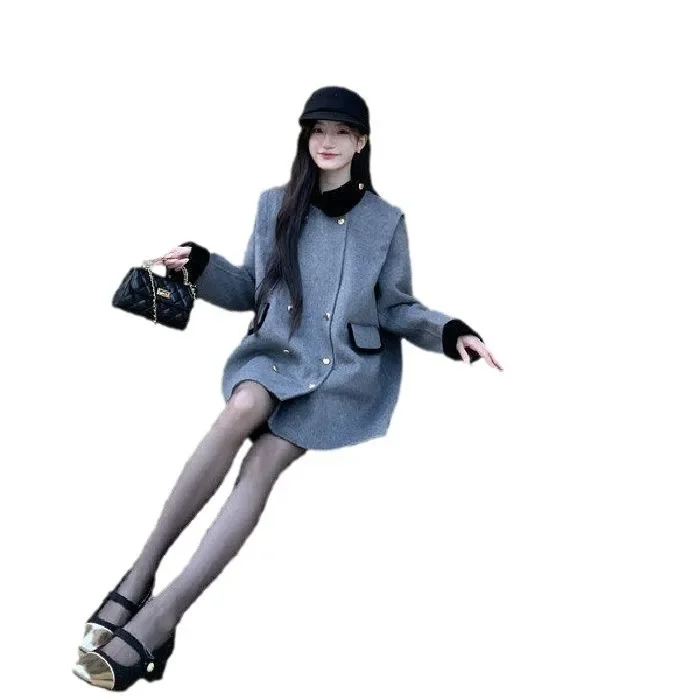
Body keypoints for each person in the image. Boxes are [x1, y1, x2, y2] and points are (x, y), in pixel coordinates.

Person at [72, 85, 503, 691]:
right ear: (305, 136)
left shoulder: (386, 222)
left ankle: (160, 616)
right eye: (317, 129)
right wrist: (201, 264)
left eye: (341, 132)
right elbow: (248, 288)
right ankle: (139, 575)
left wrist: (450, 331)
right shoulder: (275, 204)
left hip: (341, 374)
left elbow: (396, 305)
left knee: (263, 463)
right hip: (275, 356)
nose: (328, 141)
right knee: (242, 406)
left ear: (362, 142)